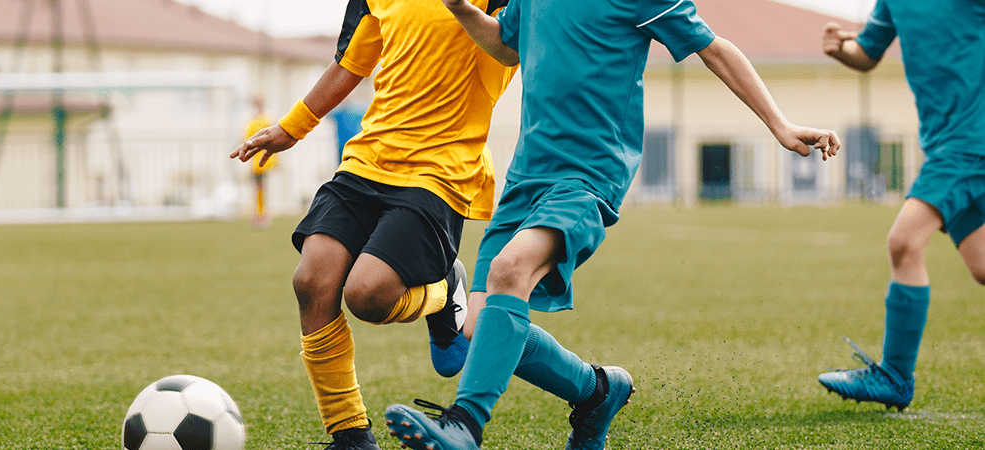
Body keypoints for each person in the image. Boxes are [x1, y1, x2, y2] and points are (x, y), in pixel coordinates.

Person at [382, 0, 841, 449]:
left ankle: (465, 425)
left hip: (588, 175)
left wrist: (780, 125)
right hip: (526, 175)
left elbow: (714, 48)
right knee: (480, 328)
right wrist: (461, 8)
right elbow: (506, 45)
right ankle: (597, 392)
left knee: (510, 269)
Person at [229, 0, 517, 447]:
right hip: (369, 159)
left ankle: (442, 294)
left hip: (440, 169)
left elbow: (509, 50)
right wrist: (291, 128)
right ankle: (350, 435)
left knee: (367, 295)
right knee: (311, 280)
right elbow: (350, 63)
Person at [816, 2, 985, 411]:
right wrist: (841, 49)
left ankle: (894, 376)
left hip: (969, 142)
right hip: (945, 143)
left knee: (904, 243)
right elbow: (869, 52)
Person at [244, 97, 278, 228]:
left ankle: (261, 215)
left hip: (262, 160)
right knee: (260, 188)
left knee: (260, 188)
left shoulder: (261, 121)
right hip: (258, 160)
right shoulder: (260, 120)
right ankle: (260, 214)